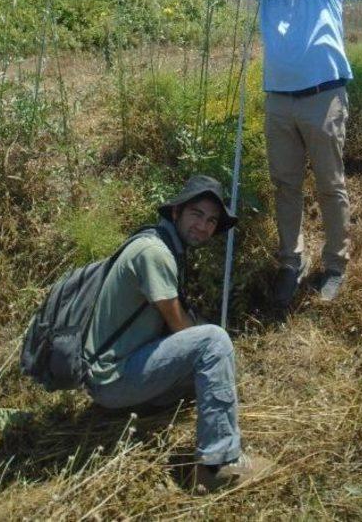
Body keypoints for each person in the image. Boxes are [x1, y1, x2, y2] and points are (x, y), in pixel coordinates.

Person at [215, 0, 353, 309]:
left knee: (330, 185)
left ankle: (334, 265)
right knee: (285, 184)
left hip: (323, 97)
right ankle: (290, 264)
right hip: (279, 103)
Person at [84, 174, 271, 491]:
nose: (204, 226)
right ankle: (218, 465)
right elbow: (178, 325)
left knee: (207, 369)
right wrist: (214, 345)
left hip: (115, 369)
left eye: (211, 220)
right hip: (111, 377)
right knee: (214, 343)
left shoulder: (163, 243)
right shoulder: (155, 253)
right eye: (197, 214)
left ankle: (141, 407)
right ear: (176, 212)